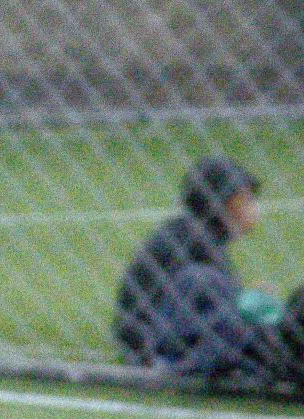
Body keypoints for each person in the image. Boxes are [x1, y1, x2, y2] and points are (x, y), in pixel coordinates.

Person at [114, 153, 278, 380]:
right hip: (154, 341)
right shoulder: (196, 240)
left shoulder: (191, 231)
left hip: (149, 334)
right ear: (219, 203)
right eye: (244, 200)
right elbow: (223, 306)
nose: (252, 208)